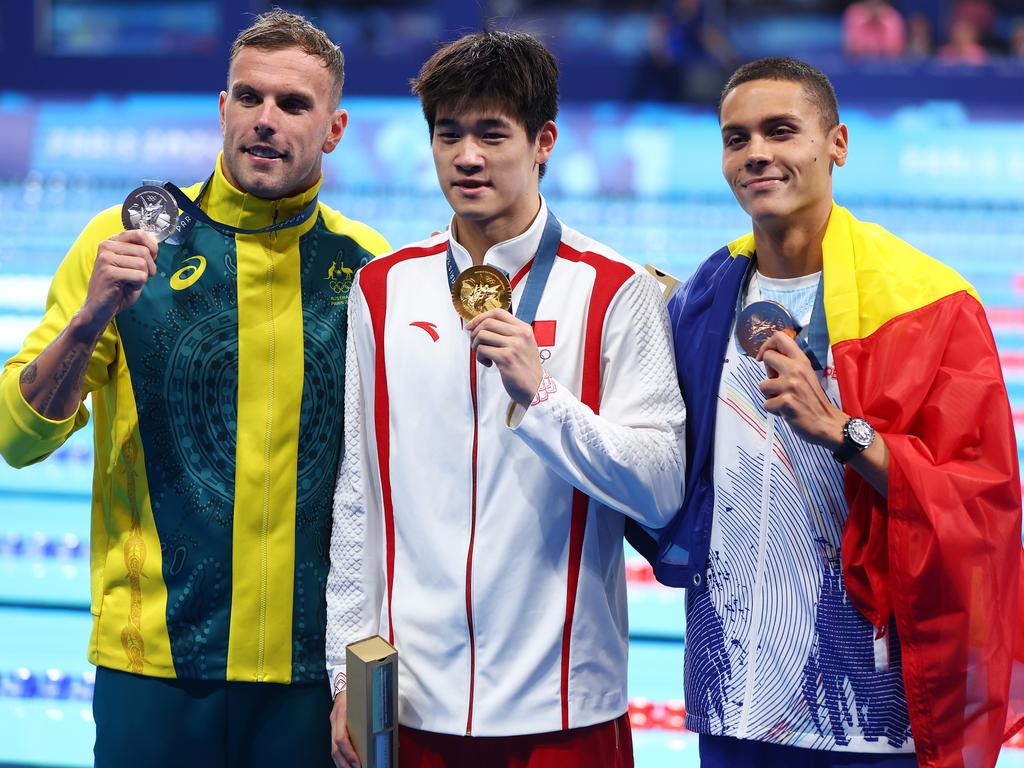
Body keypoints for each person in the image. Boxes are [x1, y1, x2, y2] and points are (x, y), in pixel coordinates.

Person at [0, 9, 389, 767]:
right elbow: (16, 438)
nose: (265, 121)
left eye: (293, 105)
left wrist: (366, 670)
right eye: (249, 98)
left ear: (335, 128)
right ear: (221, 108)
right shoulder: (122, 243)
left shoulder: (368, 270)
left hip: (312, 678)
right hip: (154, 667)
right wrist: (88, 323)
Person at [628, 56, 1024, 767]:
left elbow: (982, 504)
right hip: (735, 698)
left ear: (836, 143)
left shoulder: (930, 305)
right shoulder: (700, 301)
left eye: (781, 131)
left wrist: (846, 433)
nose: (757, 154)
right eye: (737, 137)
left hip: (868, 711)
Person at [325, 31, 686, 768]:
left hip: (565, 706)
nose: (467, 157)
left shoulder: (616, 291)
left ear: (543, 140)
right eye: (448, 134)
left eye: (492, 133)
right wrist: (346, 673)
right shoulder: (383, 289)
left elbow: (660, 486)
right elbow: (359, 497)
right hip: (410, 701)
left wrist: (544, 396)